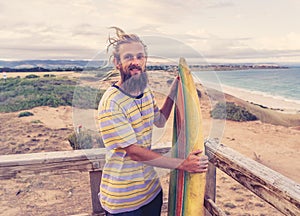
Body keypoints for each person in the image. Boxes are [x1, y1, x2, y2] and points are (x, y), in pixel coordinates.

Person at [98, 27, 208, 216]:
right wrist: (182, 164)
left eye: (140, 57)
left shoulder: (145, 92)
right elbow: (134, 153)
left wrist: (175, 89)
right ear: (117, 63)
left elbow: (159, 120)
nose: (135, 62)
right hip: (123, 203)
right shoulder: (111, 103)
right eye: (129, 57)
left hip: (151, 193)